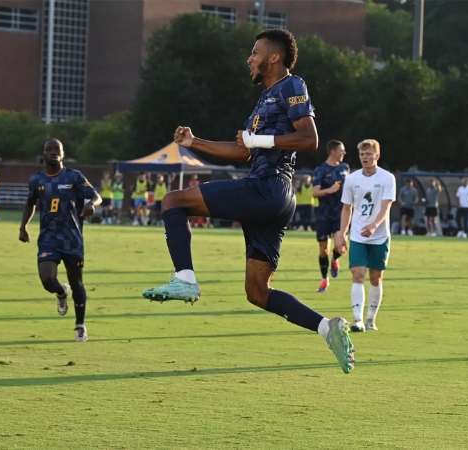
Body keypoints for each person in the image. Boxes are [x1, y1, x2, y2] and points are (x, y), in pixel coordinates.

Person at [141, 28, 354, 374]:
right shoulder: (264, 100)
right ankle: (327, 328)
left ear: (274, 56)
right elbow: (242, 149)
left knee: (173, 201)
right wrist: (195, 142)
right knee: (257, 291)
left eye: (255, 53)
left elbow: (309, 138)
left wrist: (262, 140)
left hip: (268, 187)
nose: (249, 59)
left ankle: (186, 278)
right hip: (271, 197)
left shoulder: (292, 85)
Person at [19, 139, 102, 342]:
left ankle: (80, 325)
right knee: (47, 279)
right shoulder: (36, 180)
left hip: (72, 239)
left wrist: (92, 205)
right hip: (48, 238)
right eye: (49, 149)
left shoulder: (74, 176)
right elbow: (30, 203)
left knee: (77, 284)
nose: (53, 152)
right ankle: (60, 290)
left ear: (63, 154)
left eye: (57, 150)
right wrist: (23, 227)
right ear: (44, 154)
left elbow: (96, 196)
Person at [335, 140, 396, 332]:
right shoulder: (352, 179)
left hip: (380, 236)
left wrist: (374, 225)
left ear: (377, 156)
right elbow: (347, 208)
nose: (365, 157)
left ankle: (371, 319)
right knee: (357, 274)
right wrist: (342, 233)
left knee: (376, 277)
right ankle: (358, 320)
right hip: (358, 236)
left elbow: (386, 207)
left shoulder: (387, 178)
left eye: (369, 154)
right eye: (362, 154)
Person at [312, 140, 350, 293]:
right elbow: (315, 192)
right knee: (323, 250)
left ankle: (335, 260)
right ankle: (324, 280)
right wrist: (330, 190)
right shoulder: (321, 169)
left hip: (341, 214)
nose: (344, 153)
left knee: (340, 246)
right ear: (333, 152)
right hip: (324, 214)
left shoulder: (345, 168)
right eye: (342, 150)